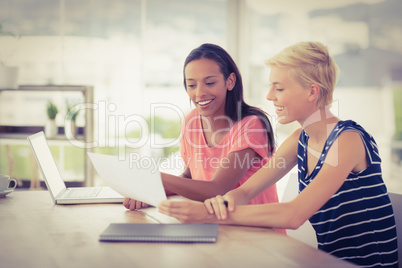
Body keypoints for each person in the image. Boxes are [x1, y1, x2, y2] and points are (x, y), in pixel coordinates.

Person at [158, 41, 399, 267]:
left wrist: (210, 216)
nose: (270, 96)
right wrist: (220, 204)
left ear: (312, 92)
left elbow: (293, 215)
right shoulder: (299, 140)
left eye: (279, 88)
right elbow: (245, 190)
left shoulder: (347, 139)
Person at [124, 43, 280, 214]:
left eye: (210, 83)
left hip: (257, 231)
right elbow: (188, 179)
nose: (199, 93)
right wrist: (148, 191)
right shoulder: (192, 121)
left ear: (230, 81)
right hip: (215, 225)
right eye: (191, 85)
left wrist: (154, 177)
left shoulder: (252, 125)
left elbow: (217, 189)